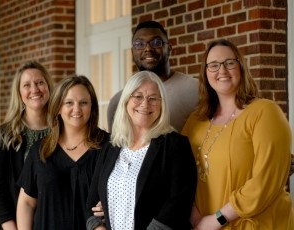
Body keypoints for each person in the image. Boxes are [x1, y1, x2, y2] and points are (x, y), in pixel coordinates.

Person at [182, 39, 294, 230]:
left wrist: (216, 220)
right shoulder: (195, 121)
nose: (222, 71)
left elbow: (264, 183)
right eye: (214, 65)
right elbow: (179, 172)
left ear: (241, 67)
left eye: (230, 63)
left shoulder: (264, 113)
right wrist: (195, 217)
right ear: (205, 73)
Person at [86, 70, 197, 230]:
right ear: (126, 101)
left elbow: (180, 201)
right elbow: (92, 201)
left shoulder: (175, 145)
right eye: (138, 96)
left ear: (162, 104)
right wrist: (98, 227)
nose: (145, 104)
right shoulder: (110, 147)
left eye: (153, 98)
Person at [16, 75, 109, 230]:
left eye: (83, 102)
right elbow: (27, 203)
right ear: (58, 107)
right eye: (69, 103)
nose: (77, 109)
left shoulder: (108, 147)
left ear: (92, 107)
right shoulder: (41, 150)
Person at [0, 60, 54, 230]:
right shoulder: (5, 135)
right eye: (27, 85)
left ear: (48, 86)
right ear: (19, 93)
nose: (35, 89)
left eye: (40, 82)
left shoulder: (63, 129)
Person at [107, 20, 199, 132]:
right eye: (139, 44)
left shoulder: (196, 90)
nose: (148, 49)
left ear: (169, 49)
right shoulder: (118, 101)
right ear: (132, 52)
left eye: (156, 43)